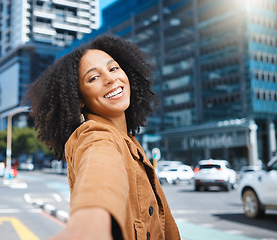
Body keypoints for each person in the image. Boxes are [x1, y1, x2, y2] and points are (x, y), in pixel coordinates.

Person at [25, 35, 180, 240]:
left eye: (113, 68)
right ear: (79, 98)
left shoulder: (129, 141)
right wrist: (89, 225)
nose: (110, 78)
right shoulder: (94, 136)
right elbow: (100, 170)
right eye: (93, 78)